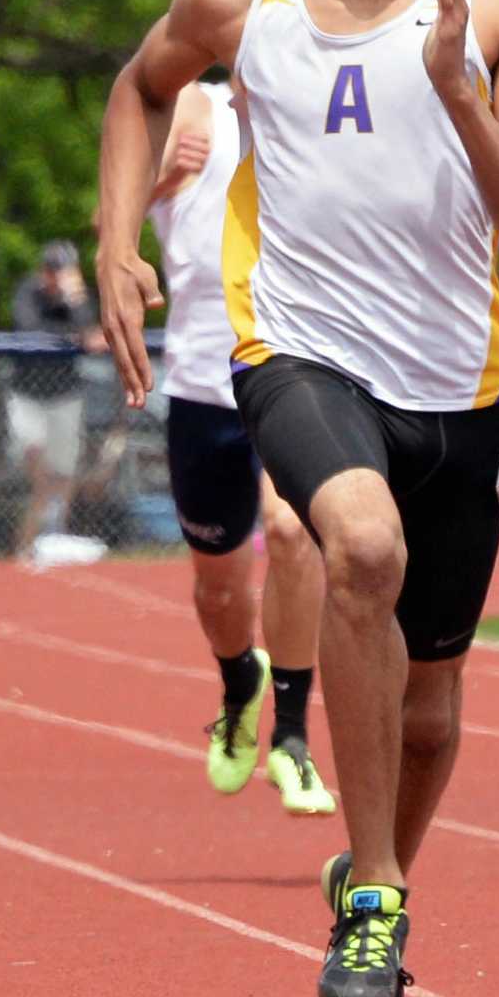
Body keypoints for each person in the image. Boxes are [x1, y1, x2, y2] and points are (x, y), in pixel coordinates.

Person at [94, 0, 499, 997]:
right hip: (297, 349)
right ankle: (374, 898)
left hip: (457, 384)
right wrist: (114, 240)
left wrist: (459, 94)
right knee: (357, 544)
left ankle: (371, 882)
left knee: (432, 710)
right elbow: (137, 89)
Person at [145, 78, 334, 814]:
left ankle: (292, 735)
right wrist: (159, 182)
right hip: (203, 383)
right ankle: (238, 681)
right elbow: (108, 217)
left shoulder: (327, 100)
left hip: (294, 369)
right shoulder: (190, 105)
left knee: (292, 531)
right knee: (220, 585)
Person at [8, 240, 107, 563]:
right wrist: (72, 335)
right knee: (39, 474)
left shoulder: (76, 297)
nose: (58, 277)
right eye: (54, 271)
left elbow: (89, 329)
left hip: (65, 395)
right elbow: (29, 328)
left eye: (64, 271)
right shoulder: (28, 291)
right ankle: (25, 545)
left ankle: (54, 539)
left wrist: (75, 300)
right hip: (28, 396)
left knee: (64, 473)